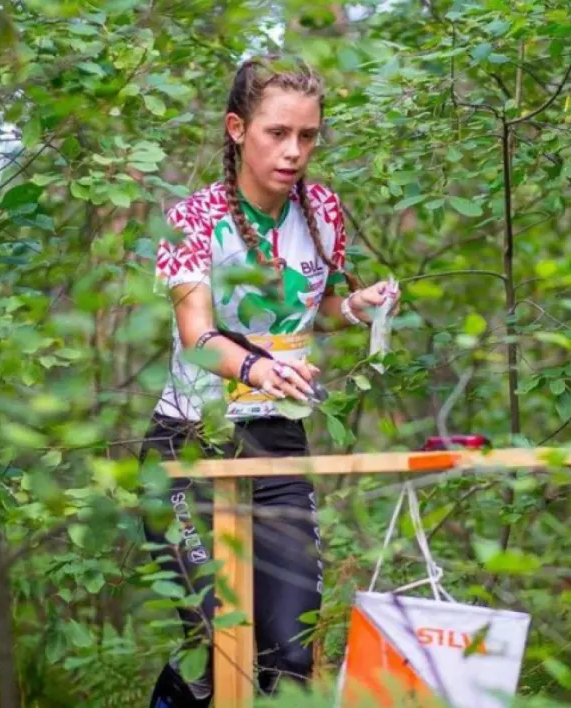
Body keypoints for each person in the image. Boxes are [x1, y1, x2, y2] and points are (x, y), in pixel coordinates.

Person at [139, 54, 400, 708]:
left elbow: (323, 308)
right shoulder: (194, 218)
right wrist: (257, 366)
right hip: (189, 445)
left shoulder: (323, 211)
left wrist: (358, 304)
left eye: (307, 137)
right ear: (237, 129)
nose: (293, 152)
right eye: (276, 133)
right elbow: (198, 337)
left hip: (277, 445)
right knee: (219, 647)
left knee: (290, 653)